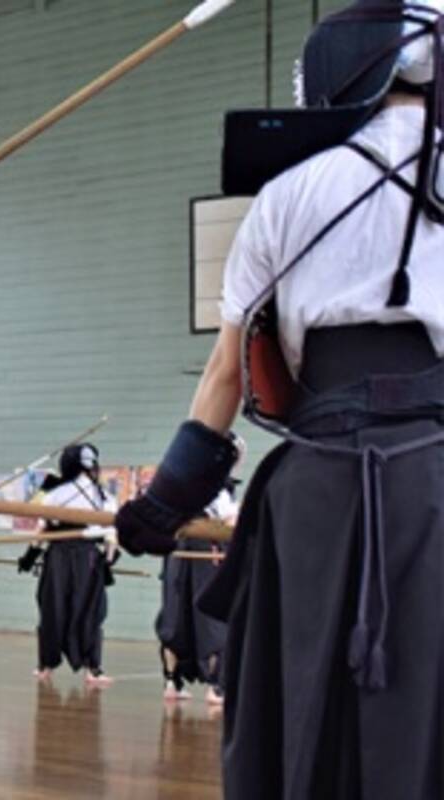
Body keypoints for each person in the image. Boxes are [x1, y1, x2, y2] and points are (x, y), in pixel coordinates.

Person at [116, 3, 444, 795]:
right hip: (437, 485)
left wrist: (162, 505)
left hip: (316, 492)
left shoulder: (285, 194)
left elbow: (228, 375)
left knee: (303, 703)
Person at [18, 443, 117, 688]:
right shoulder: (103, 497)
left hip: (57, 556)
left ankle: (45, 666)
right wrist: (109, 559)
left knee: (53, 608)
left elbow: (42, 531)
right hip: (88, 558)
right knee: (89, 611)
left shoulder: (54, 494)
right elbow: (111, 536)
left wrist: (30, 556)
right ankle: (92, 670)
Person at [154, 435, 242, 705]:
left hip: (178, 549)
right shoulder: (216, 487)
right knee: (211, 617)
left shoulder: (179, 480)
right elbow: (227, 520)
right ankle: (215, 688)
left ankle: (172, 683)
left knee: (174, 612)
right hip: (205, 548)